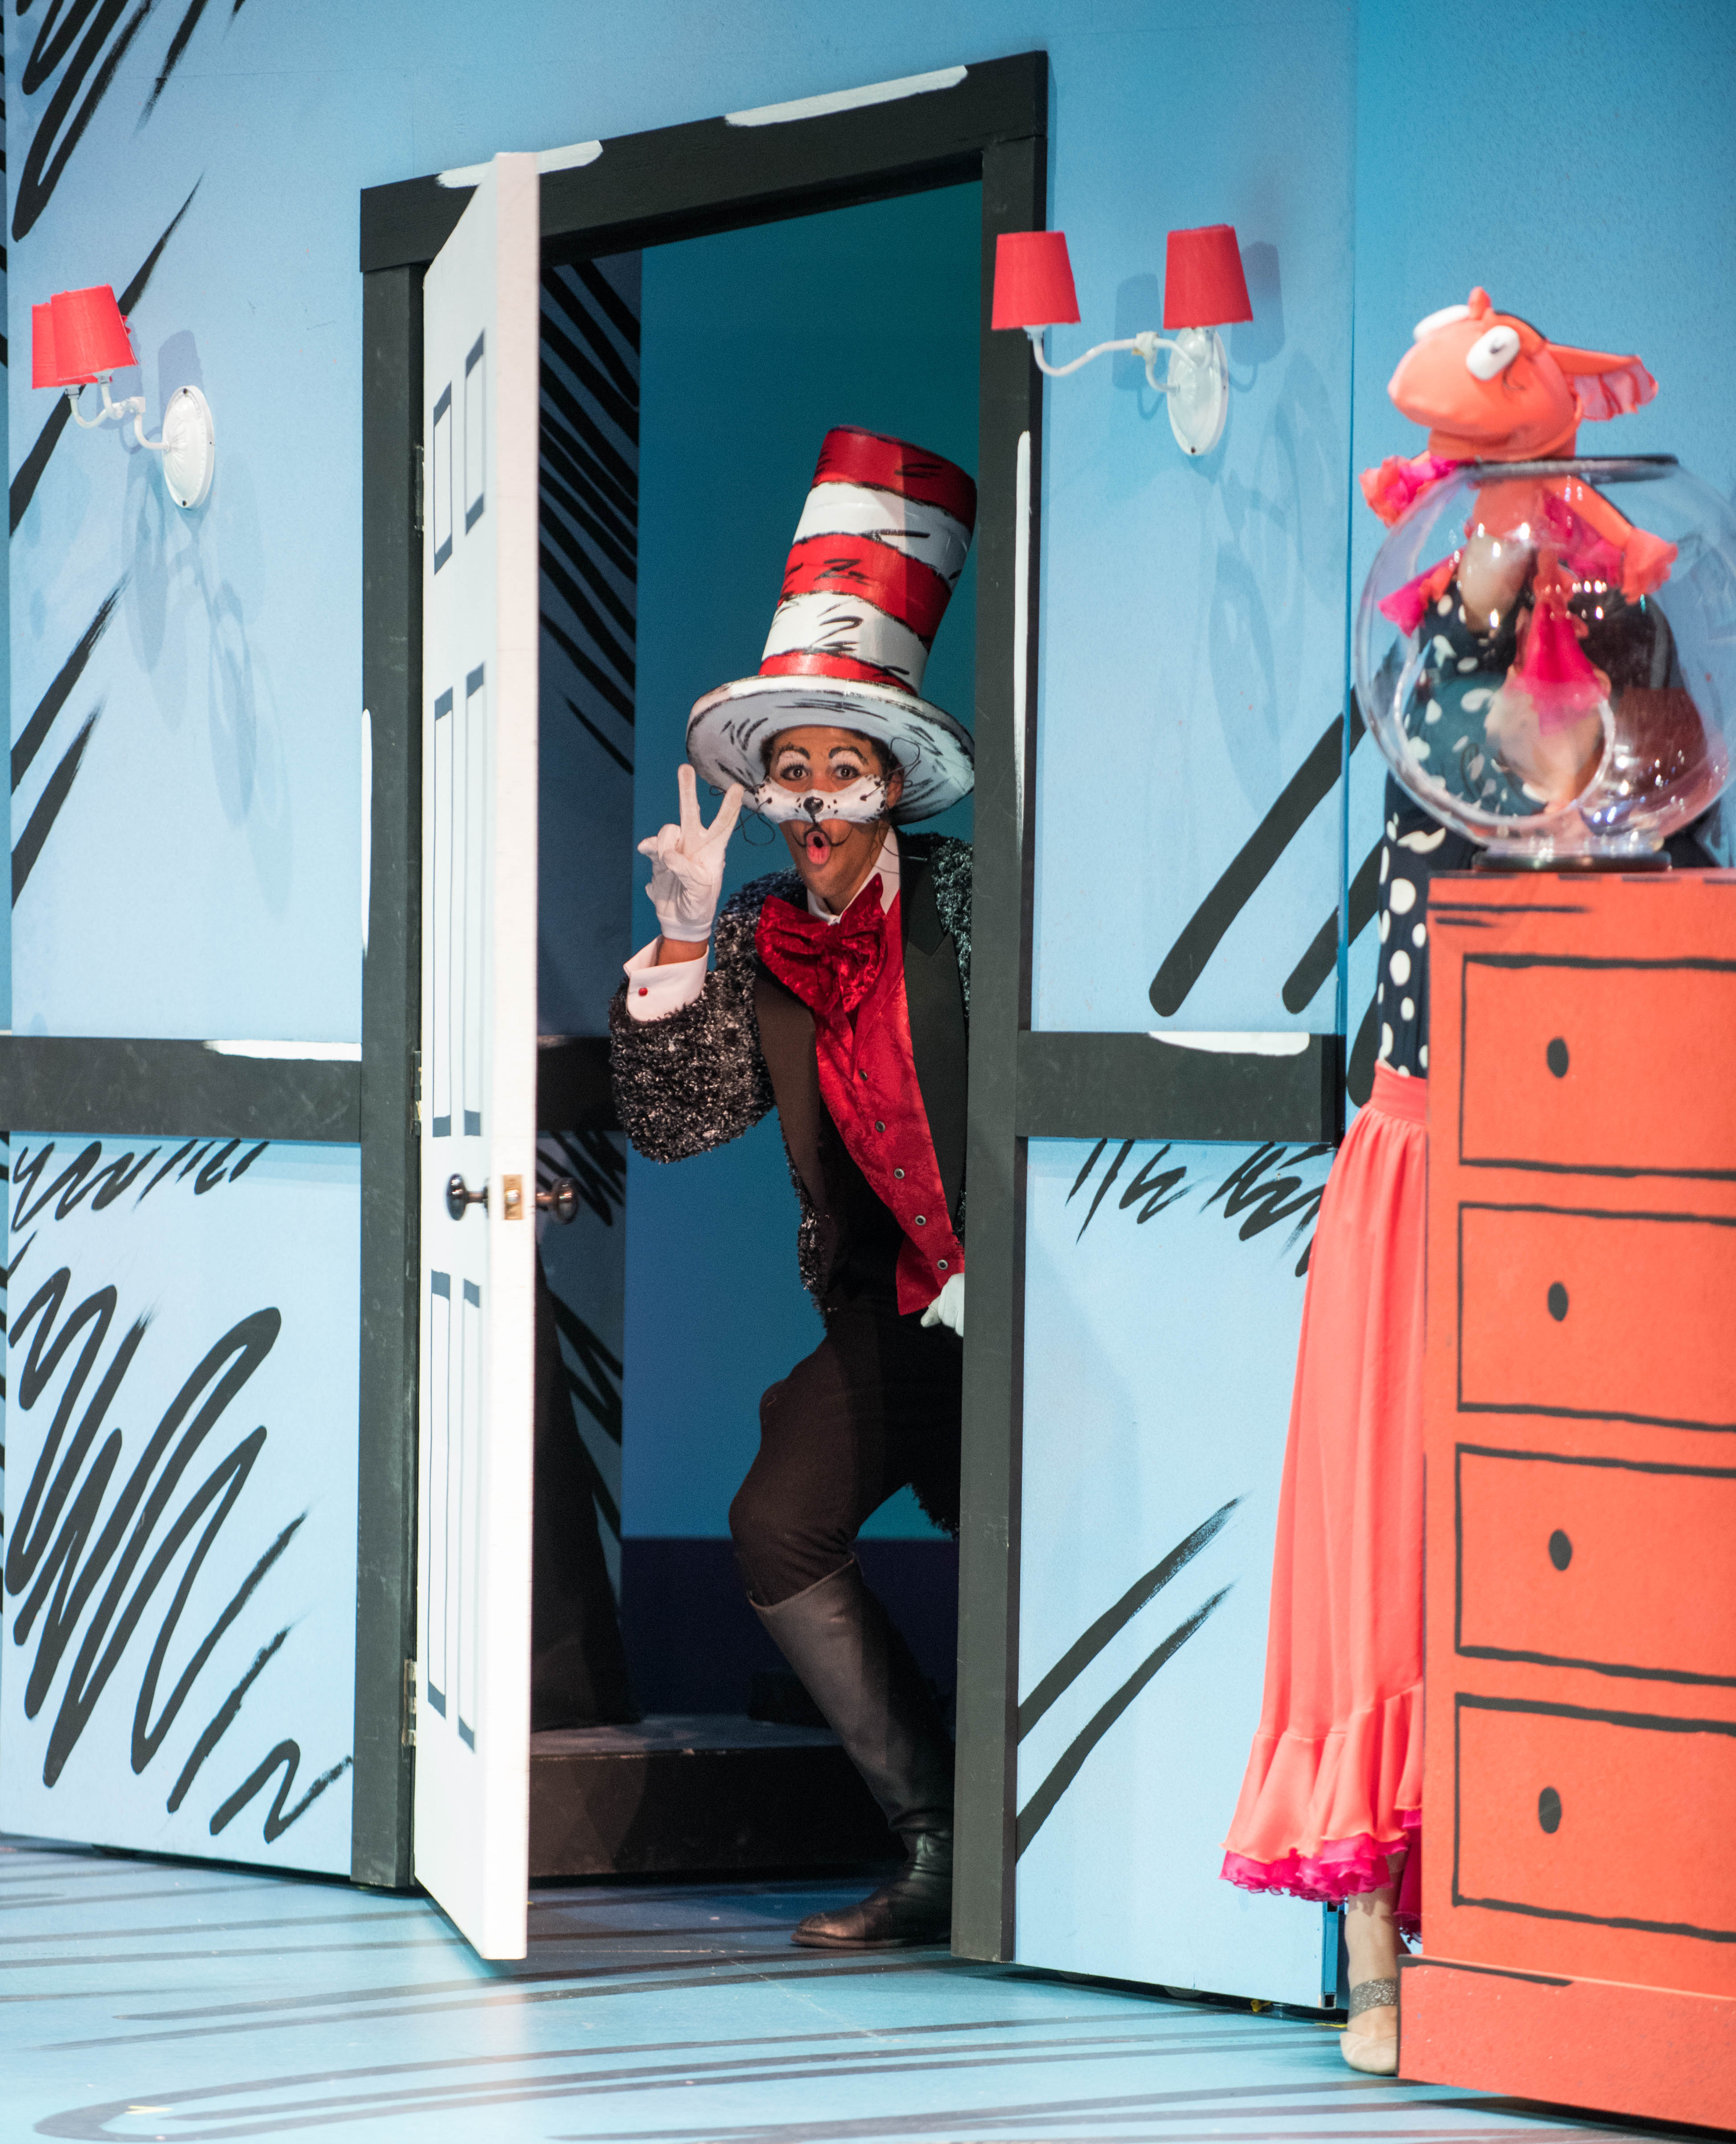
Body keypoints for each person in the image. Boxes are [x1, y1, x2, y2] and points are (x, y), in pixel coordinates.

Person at [609, 426, 976, 1949]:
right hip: (889, 1311)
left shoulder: (971, 898)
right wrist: (684, 942)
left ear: (892, 786)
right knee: (778, 1516)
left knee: (1036, 1542)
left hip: (1021, 1304)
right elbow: (677, 1123)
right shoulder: (763, 930)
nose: (815, 801)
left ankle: (1060, 1852)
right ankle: (938, 1833)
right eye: (791, 775)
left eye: (843, 770)